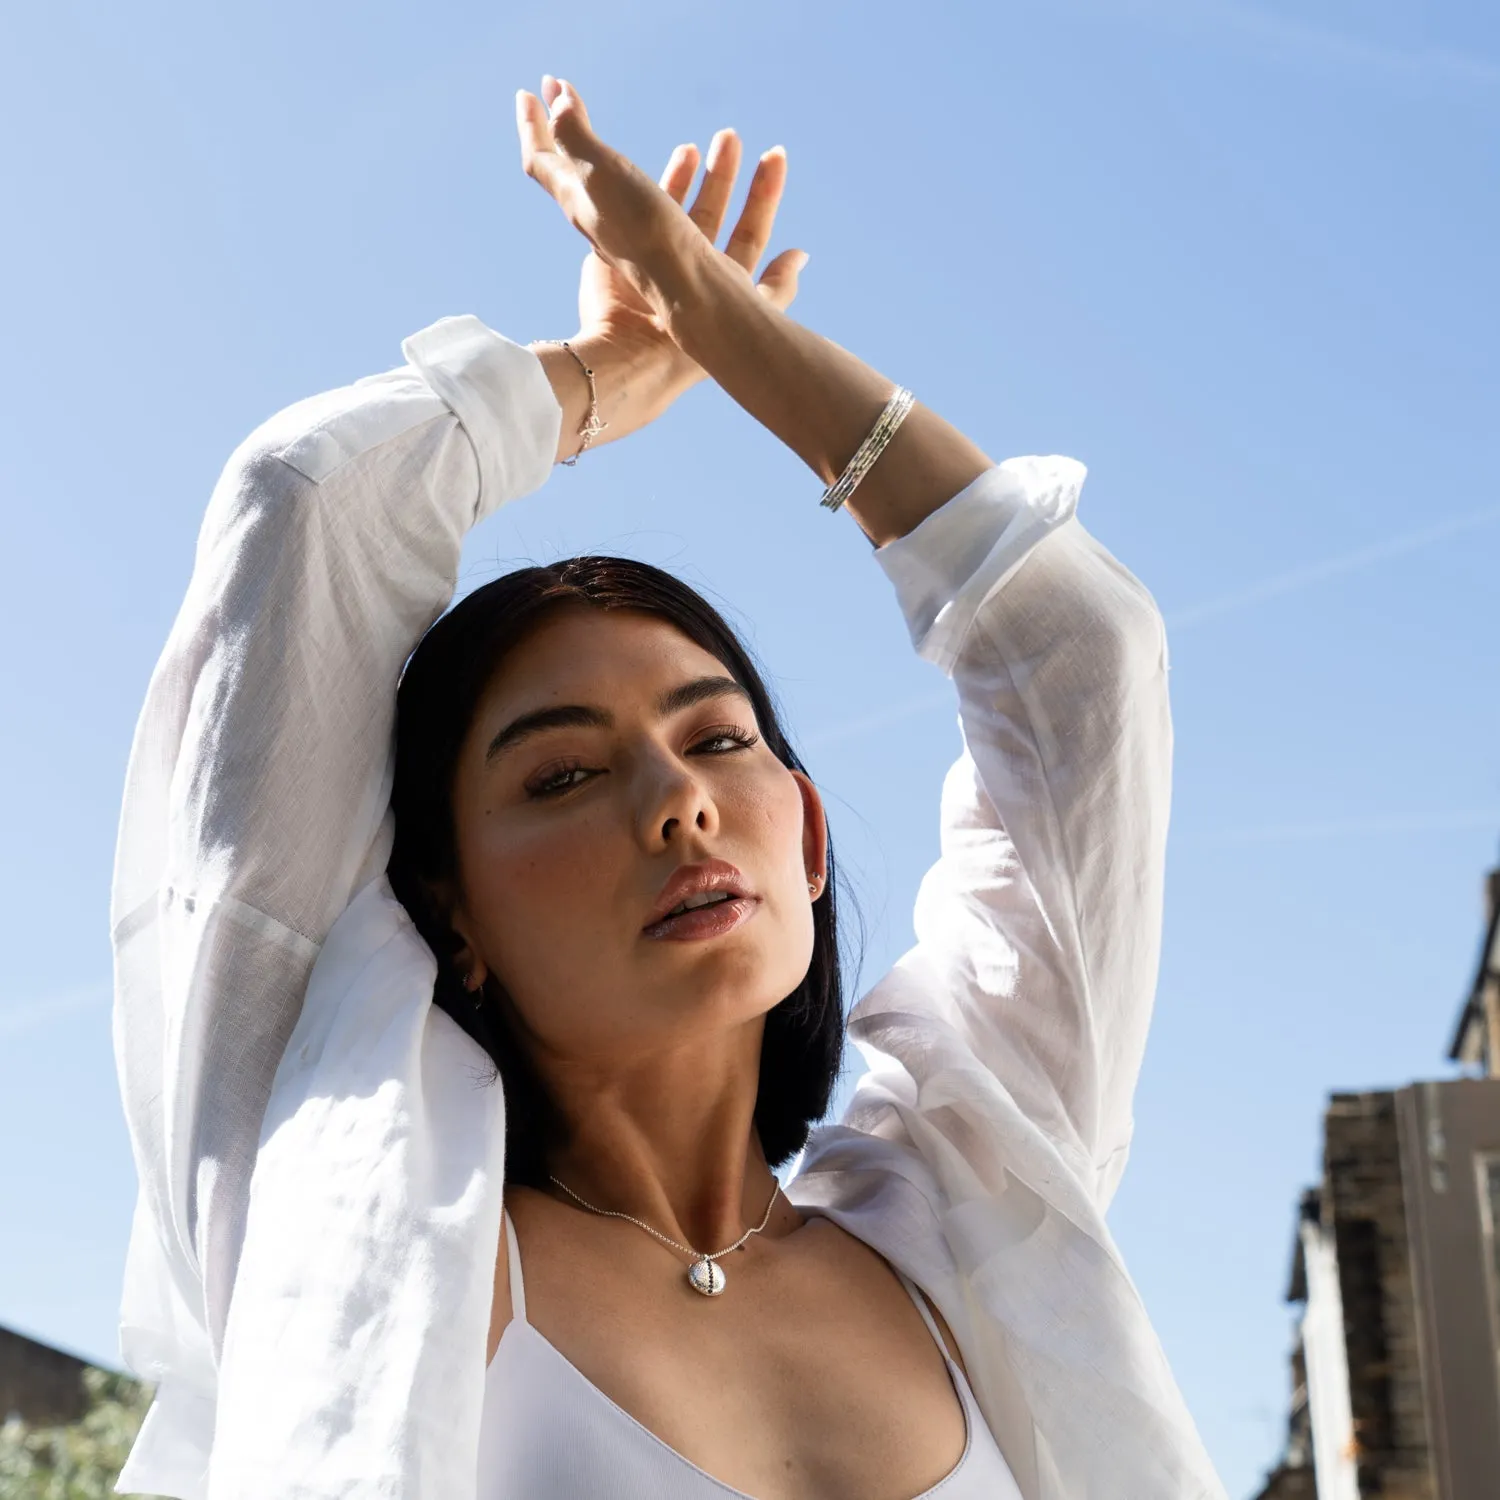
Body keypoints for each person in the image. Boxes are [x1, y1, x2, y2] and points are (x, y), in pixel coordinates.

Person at [109, 74, 1226, 1500]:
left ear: (808, 836)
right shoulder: (371, 1210)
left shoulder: (973, 1206)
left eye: (716, 741)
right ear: (446, 911)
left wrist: (730, 319)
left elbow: (1084, 656)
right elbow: (306, 505)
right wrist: (609, 370)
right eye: (564, 773)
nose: (676, 804)